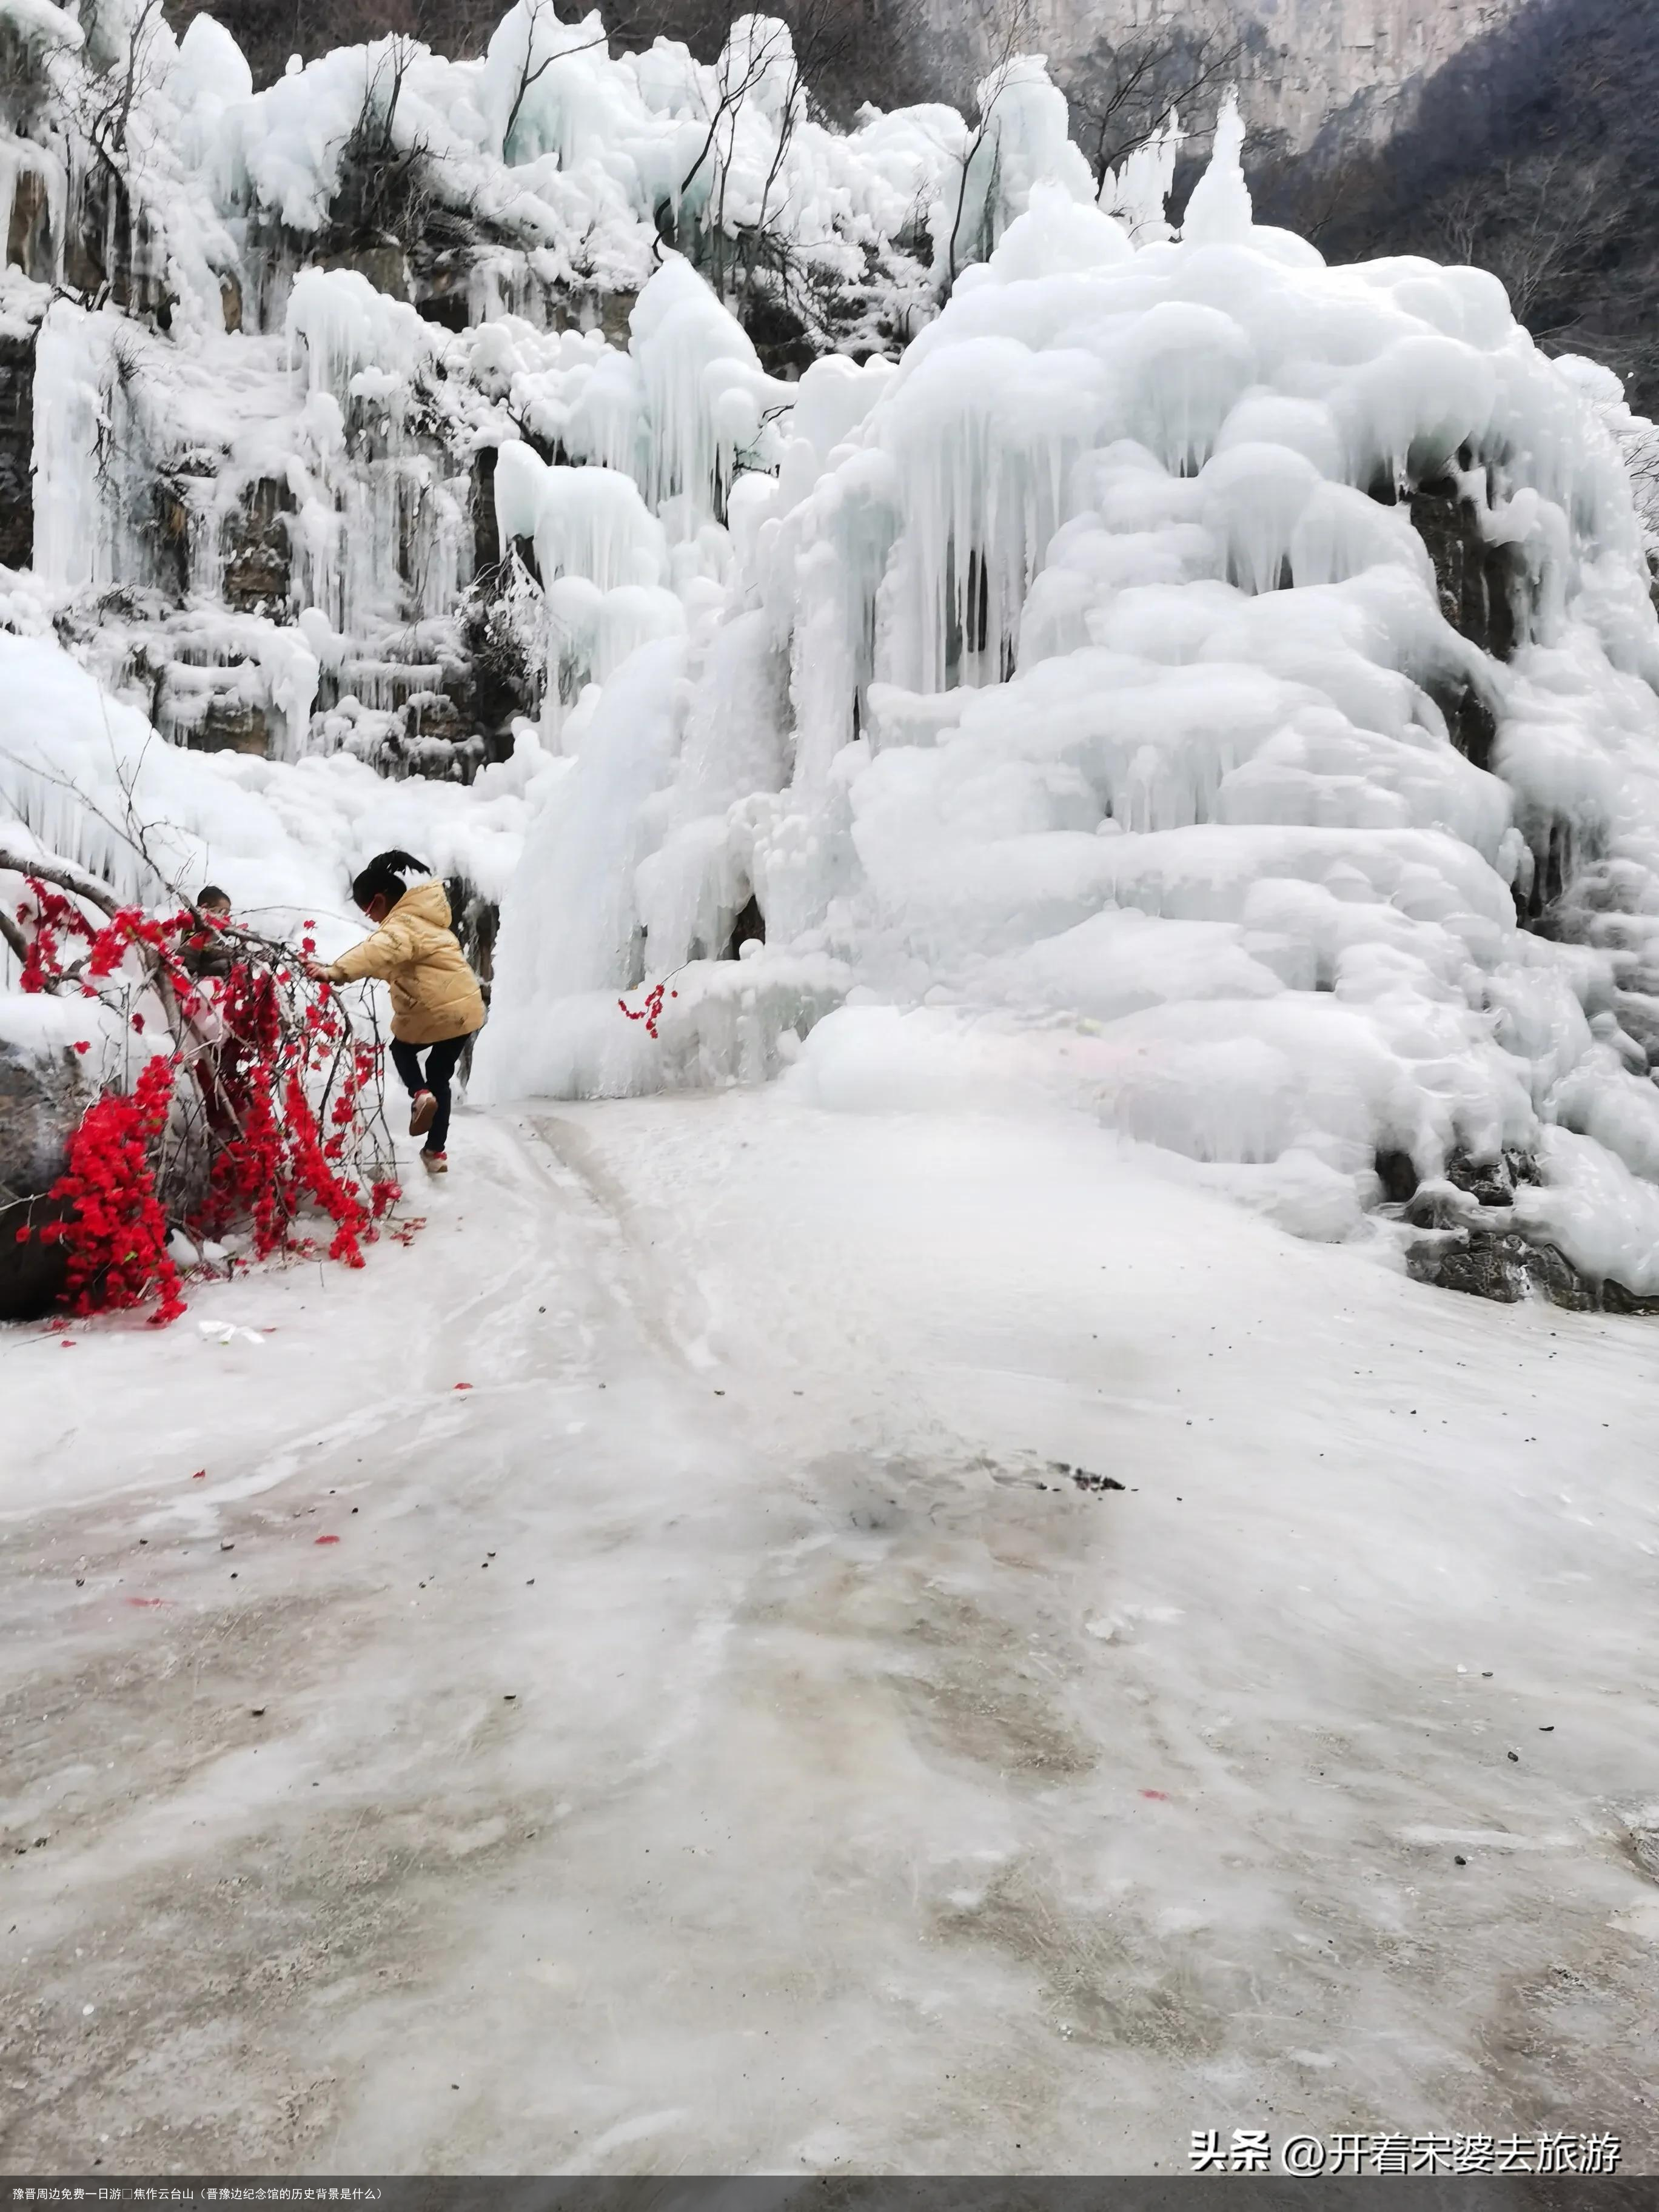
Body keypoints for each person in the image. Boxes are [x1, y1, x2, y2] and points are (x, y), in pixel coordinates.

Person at [307, 850, 484, 1176]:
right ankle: (435, 1152)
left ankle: (420, 1094)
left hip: (434, 1010)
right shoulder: (430, 921)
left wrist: (335, 971)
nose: (371, 919)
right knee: (440, 1074)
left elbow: (379, 951)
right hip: (466, 1011)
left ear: (379, 900)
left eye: (368, 911)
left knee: (401, 1049)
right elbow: (393, 963)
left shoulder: (401, 925)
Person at [181, 885, 235, 981]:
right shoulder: (193, 925)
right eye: (222, 912)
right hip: (196, 974)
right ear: (205, 908)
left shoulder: (215, 931)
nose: (225, 918)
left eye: (227, 915)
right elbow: (190, 959)